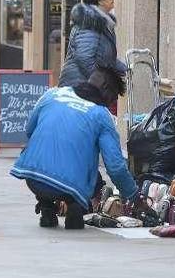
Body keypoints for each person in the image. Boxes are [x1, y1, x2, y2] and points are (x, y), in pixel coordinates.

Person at [11, 67, 141, 229]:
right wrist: (135, 196)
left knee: (41, 152)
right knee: (92, 172)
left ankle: (46, 206)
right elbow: (115, 167)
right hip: (71, 187)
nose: (111, 103)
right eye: (113, 98)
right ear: (106, 90)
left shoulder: (53, 94)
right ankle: (75, 208)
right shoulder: (101, 115)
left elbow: (30, 130)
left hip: (33, 178)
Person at [58, 0, 127, 90]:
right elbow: (84, 58)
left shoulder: (102, 22)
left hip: (87, 86)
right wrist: (102, 82)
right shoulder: (89, 22)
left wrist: (128, 70)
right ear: (100, 1)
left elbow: (108, 60)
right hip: (79, 88)